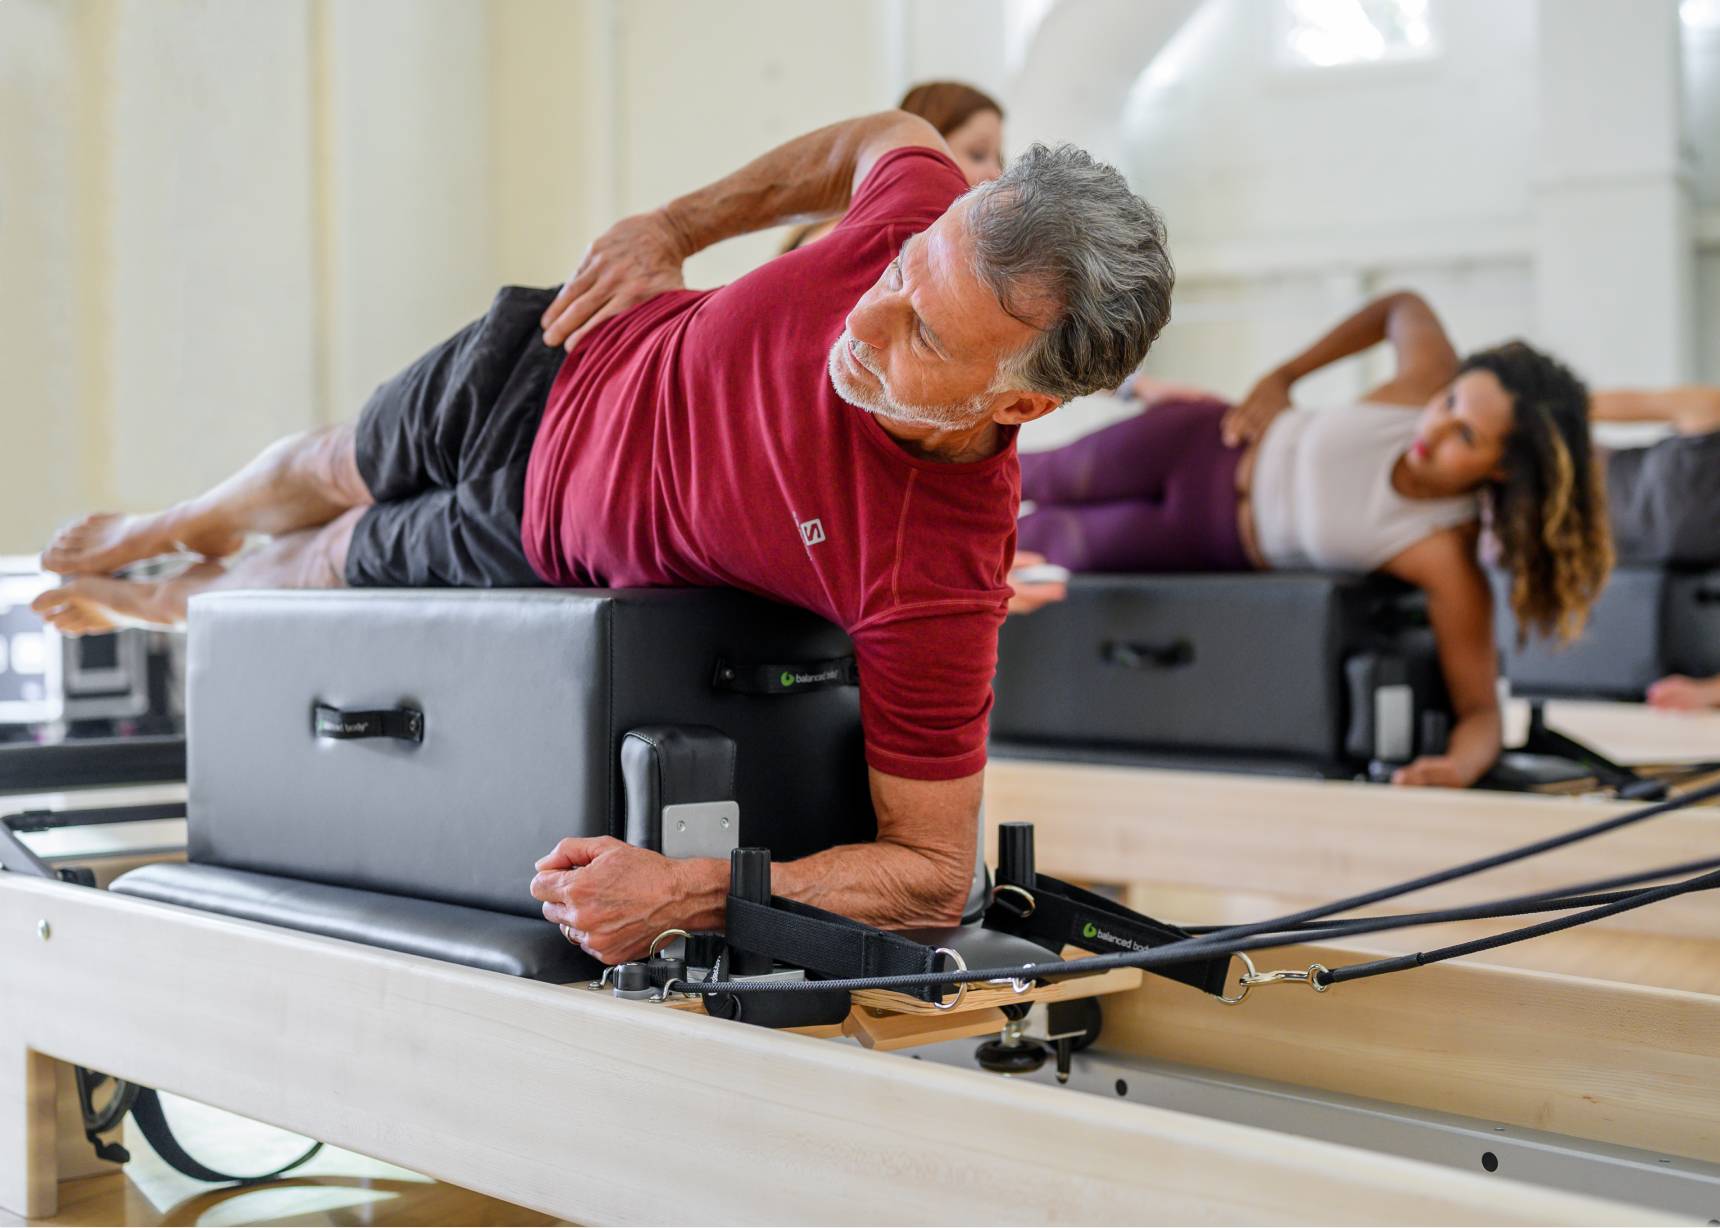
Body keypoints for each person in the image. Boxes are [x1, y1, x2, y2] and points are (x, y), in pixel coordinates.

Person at [33, 110, 1174, 964]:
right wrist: (668, 226)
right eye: (895, 268)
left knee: (310, 568)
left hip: (528, 534)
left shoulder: (934, 575)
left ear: (1018, 404)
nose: (864, 317)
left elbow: (929, 876)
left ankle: (151, 598)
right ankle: (165, 524)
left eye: (920, 332)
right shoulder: (926, 207)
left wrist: (685, 891)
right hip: (565, 345)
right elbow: (887, 138)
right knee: (331, 459)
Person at [1012, 291, 1613, 789]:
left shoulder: (1445, 555)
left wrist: (1454, 767)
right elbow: (1400, 306)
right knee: (1027, 473)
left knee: (1034, 544)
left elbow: (1482, 712)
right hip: (1196, 443)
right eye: (1449, 401)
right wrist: (1283, 376)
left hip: (1199, 541)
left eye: (1466, 435)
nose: (1436, 427)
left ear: (1501, 470)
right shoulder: (1421, 383)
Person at [1589, 384, 1720, 710]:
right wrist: (1549, 407)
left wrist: (1708, 693)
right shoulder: (1708, 429)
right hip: (1575, 486)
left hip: (1589, 557)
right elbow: (1700, 403)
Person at [781, 81, 1004, 252]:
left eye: (1000, 157)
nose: (996, 174)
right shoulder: (854, 240)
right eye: (978, 154)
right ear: (923, 150)